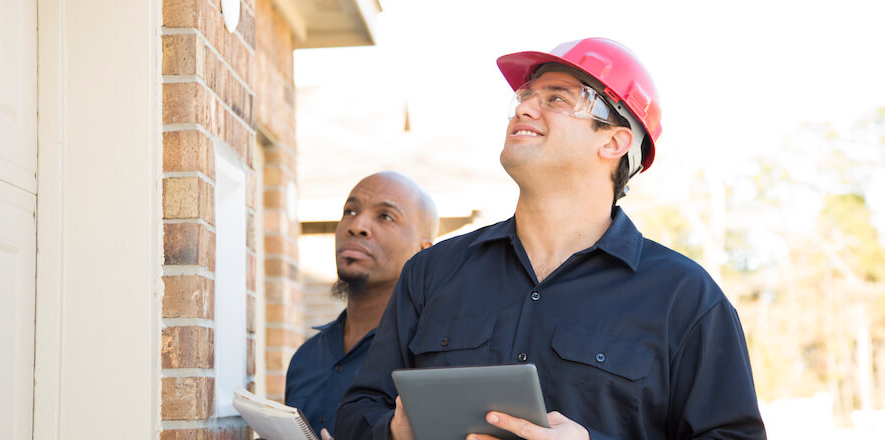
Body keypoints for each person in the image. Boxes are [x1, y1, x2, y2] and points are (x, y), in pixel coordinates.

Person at [336, 38, 766, 440]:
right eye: (524, 97)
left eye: (556, 98)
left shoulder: (685, 297)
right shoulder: (430, 274)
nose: (523, 109)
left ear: (614, 142)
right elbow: (358, 411)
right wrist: (394, 431)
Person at [285, 171, 438, 440]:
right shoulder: (306, 358)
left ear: (422, 250)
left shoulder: (431, 357)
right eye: (350, 211)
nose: (357, 226)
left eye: (386, 216)